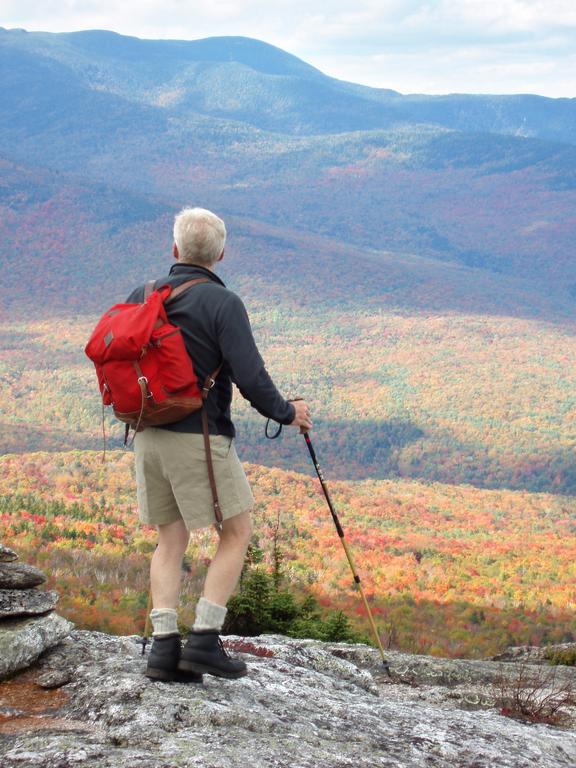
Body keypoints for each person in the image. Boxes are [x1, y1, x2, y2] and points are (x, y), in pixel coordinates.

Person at [126, 207, 312, 683]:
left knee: (170, 539)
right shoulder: (223, 303)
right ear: (221, 254)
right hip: (199, 438)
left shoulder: (143, 295)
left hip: (147, 434)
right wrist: (288, 413)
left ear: (174, 250)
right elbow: (250, 377)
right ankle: (206, 639)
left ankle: (164, 648)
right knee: (236, 531)